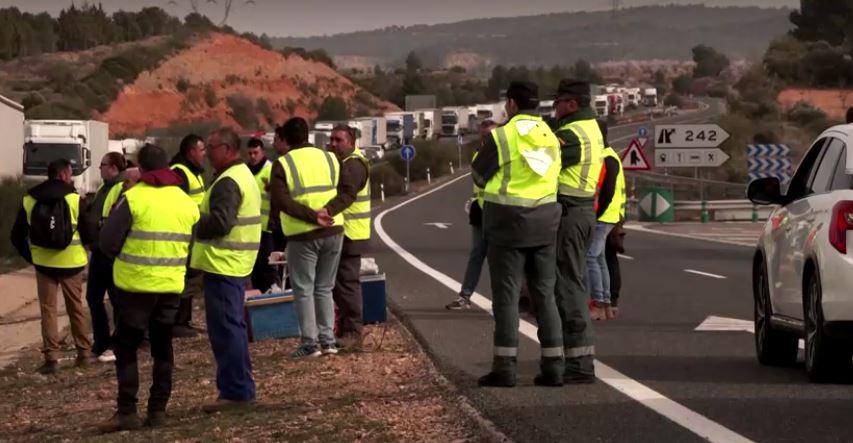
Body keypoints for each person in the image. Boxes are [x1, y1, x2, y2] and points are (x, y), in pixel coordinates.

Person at [96, 144, 199, 432]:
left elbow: (107, 242)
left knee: (127, 348)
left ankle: (127, 410)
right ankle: (158, 410)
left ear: (141, 169)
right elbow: (190, 245)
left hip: (135, 286)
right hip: (170, 287)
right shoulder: (185, 202)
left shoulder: (133, 198)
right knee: (163, 347)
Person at [471, 81, 565, 387]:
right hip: (546, 222)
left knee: (507, 297)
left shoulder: (502, 136)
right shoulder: (551, 135)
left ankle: (506, 369)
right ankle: (554, 369)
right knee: (545, 296)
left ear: (511, 103)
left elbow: (479, 175)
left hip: (507, 225)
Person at [191, 127, 262, 412]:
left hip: (224, 263)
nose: (207, 153)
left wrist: (192, 217)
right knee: (232, 327)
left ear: (228, 149)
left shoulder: (228, 181)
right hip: (232, 263)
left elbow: (221, 223)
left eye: (212, 147)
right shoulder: (239, 175)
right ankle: (238, 388)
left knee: (226, 329)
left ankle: (236, 392)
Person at [270, 117, 344, 358]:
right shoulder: (330, 157)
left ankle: (310, 344)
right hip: (334, 230)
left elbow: (281, 201)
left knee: (304, 289)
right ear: (308, 134)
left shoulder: (282, 164)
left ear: (286, 139)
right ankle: (329, 341)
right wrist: (328, 212)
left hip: (303, 235)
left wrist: (313, 216)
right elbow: (344, 190)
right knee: (325, 287)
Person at [10, 159, 93, 374]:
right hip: (72, 264)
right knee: (76, 309)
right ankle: (83, 353)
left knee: (48, 311)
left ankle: (51, 359)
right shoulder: (75, 199)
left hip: (44, 264)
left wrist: (32, 257)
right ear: (64, 175)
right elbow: (90, 234)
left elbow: (16, 235)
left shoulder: (30, 198)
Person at [551, 79, 605, 383]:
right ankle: (572, 359)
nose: (554, 108)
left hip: (571, 211)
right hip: (581, 211)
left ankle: (580, 365)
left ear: (572, 104)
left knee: (568, 285)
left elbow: (543, 165)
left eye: (558, 102)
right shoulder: (591, 127)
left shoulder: (571, 134)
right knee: (570, 282)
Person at [325, 125, 371, 347]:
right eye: (331, 139)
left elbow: (345, 195)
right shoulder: (346, 163)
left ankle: (353, 332)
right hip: (346, 232)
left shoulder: (353, 165)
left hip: (351, 233)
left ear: (351, 142)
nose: (333, 144)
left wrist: (325, 211)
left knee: (347, 283)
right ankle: (346, 329)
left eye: (338, 140)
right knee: (340, 284)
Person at [82, 152, 129, 363]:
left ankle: (117, 344)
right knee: (93, 297)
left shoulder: (121, 188)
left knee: (117, 300)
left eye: (102, 165)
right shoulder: (104, 187)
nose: (99, 169)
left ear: (113, 168)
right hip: (98, 251)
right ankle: (101, 342)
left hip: (111, 253)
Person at [447, 119, 498, 310]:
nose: (487, 139)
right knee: (477, 255)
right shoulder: (479, 155)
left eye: (491, 135)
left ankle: (502, 300)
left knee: (498, 258)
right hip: (480, 210)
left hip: (497, 211)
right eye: (484, 136)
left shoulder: (500, 155)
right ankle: (465, 295)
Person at [171, 134, 207, 338]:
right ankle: (179, 322)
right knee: (186, 275)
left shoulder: (194, 172)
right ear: (191, 151)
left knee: (191, 274)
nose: (204, 155)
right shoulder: (180, 172)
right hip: (186, 232)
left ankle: (184, 320)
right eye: (201, 150)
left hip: (195, 230)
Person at [591, 122, 625, 321]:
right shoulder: (609, 156)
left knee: (591, 257)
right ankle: (607, 303)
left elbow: (608, 191)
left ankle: (600, 303)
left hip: (605, 216)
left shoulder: (607, 158)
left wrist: (597, 213)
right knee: (602, 258)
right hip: (611, 216)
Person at [246, 137, 279, 293]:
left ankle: (273, 296)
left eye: (256, 152)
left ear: (263, 152)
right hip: (250, 229)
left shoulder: (270, 169)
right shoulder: (245, 171)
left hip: (267, 229)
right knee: (254, 269)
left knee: (267, 268)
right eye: (250, 153)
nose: (253, 156)